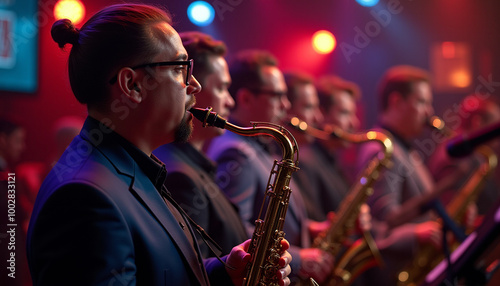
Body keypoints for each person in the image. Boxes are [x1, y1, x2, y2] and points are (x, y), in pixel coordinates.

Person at [26, 4, 291, 286]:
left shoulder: (131, 168)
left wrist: (224, 273)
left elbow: (160, 273)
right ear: (133, 85)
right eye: (181, 68)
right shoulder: (83, 197)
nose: (196, 86)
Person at [206, 50, 334, 284]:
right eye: (277, 95)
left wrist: (313, 228)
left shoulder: (260, 147)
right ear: (245, 98)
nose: (285, 105)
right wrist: (297, 258)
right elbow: (234, 229)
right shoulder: (235, 152)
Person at [153, 31, 248, 258]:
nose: (230, 101)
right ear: (193, 91)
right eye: (222, 88)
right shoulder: (179, 175)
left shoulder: (194, 167)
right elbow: (193, 272)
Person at [355, 65, 446, 285]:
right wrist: (416, 233)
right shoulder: (380, 150)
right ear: (396, 101)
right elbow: (383, 222)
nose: (429, 112)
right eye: (422, 101)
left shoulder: (403, 148)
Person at [427, 93, 500, 217]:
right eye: (495, 126)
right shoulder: (454, 156)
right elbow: (450, 210)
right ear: (478, 122)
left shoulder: (477, 154)